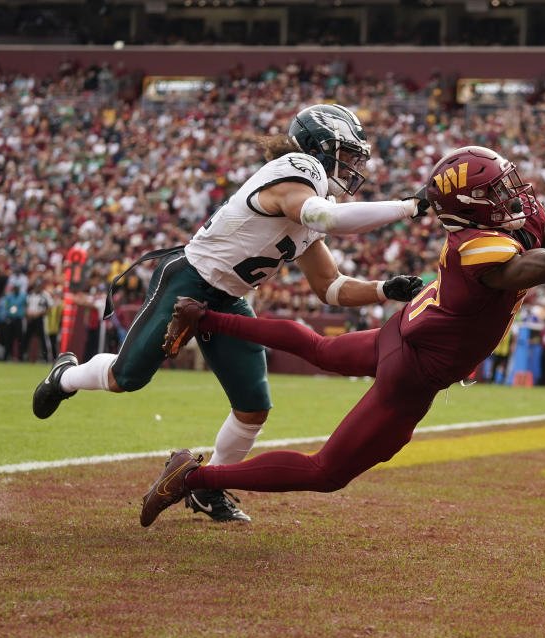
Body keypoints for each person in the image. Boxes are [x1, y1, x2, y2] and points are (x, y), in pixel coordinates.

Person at [138, 144, 545, 527]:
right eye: (498, 189)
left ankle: (206, 317)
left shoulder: (489, 227)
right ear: (472, 204)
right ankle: (192, 476)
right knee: (327, 472)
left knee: (318, 348)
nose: (514, 196)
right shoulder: (481, 250)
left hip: (405, 331)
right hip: (412, 371)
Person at [34, 104, 429, 523]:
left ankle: (210, 487)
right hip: (190, 280)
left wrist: (382, 290)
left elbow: (329, 287)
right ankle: (65, 376)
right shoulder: (299, 169)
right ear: (318, 147)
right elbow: (325, 217)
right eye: (346, 153)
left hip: (230, 297)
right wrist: (409, 206)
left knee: (253, 405)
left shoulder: (313, 198)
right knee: (125, 378)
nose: (351, 165)